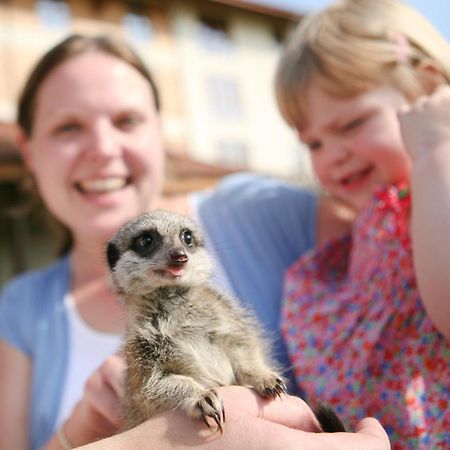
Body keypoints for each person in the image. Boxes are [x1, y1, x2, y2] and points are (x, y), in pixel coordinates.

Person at [0, 32, 386, 450]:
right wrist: (85, 435)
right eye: (68, 126)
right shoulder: (22, 307)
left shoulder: (258, 211)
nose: (103, 148)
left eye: (127, 120)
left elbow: (392, 227)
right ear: (29, 148)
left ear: (160, 130)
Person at [259, 0, 449, 448]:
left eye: (351, 123)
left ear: (426, 88)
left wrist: (435, 149)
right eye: (314, 142)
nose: (331, 154)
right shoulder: (368, 226)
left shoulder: (439, 178)